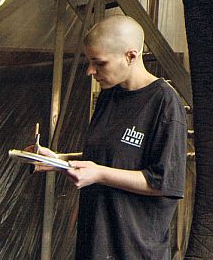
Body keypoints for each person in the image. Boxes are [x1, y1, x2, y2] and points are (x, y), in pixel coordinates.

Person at [31, 14, 187, 260]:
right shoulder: (109, 95)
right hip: (96, 242)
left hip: (133, 249)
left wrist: (99, 174)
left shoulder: (164, 103)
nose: (90, 71)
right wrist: (58, 160)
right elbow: (110, 157)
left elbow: (163, 181)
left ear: (131, 56)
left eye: (99, 63)